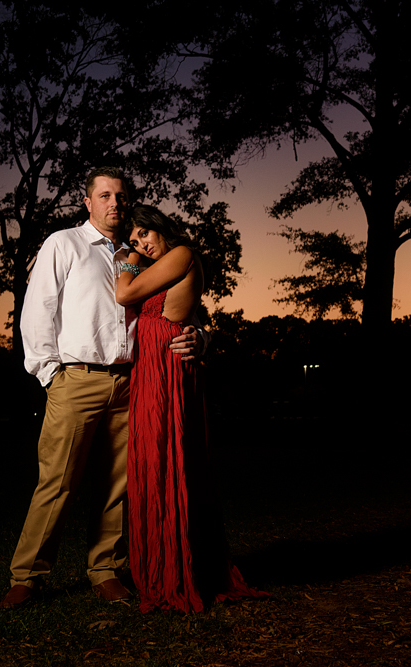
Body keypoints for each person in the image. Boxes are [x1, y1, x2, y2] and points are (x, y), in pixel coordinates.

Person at [0, 168, 202, 610]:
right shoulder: (63, 244)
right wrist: (51, 374)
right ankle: (27, 576)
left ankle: (105, 570)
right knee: (57, 481)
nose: (115, 203)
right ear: (87, 201)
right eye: (105, 195)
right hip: (76, 379)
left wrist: (200, 335)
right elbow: (37, 313)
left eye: (121, 197)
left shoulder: (141, 255)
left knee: (118, 485)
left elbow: (170, 307)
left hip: (134, 382)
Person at [116, 204, 268, 613]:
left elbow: (125, 293)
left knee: (170, 459)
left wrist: (128, 257)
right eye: (134, 240)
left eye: (145, 234)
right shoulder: (167, 262)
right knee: (151, 460)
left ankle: (178, 569)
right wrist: (201, 333)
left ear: (162, 227)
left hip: (166, 368)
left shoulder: (181, 253)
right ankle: (161, 563)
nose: (141, 244)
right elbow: (189, 313)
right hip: (151, 367)